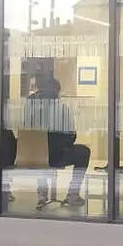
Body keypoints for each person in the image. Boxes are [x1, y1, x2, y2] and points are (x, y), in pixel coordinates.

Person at [28, 78, 89, 209]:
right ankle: (73, 194)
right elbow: (72, 134)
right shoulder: (61, 108)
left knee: (41, 154)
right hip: (56, 157)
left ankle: (42, 194)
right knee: (83, 152)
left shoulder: (29, 107)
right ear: (57, 91)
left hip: (32, 155)